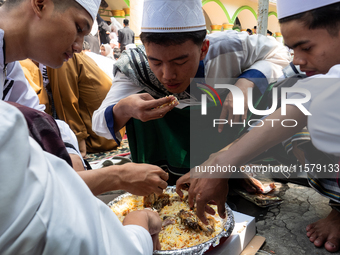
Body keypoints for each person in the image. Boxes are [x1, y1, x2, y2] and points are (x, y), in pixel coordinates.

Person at [0, 0, 164, 252]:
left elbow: (43, 118)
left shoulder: (10, 66)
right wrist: (118, 179)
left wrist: (71, 153)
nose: (79, 46)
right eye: (78, 27)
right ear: (40, 4)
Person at [176, 0, 340, 252]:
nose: (298, 60)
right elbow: (280, 111)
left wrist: (221, 164)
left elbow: (309, 104)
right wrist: (218, 161)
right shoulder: (301, 69)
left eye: (306, 47)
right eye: (293, 49)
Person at [92, 0, 290, 185]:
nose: (168, 75)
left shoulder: (231, 47)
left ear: (204, 49)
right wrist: (125, 109)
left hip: (220, 149)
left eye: (180, 62)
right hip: (164, 163)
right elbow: (99, 124)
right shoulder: (135, 66)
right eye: (157, 62)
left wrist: (247, 83)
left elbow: (279, 55)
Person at [20, 53, 122, 156]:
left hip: (101, 135)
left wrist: (77, 144)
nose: (77, 46)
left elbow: (67, 102)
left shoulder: (63, 56)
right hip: (107, 129)